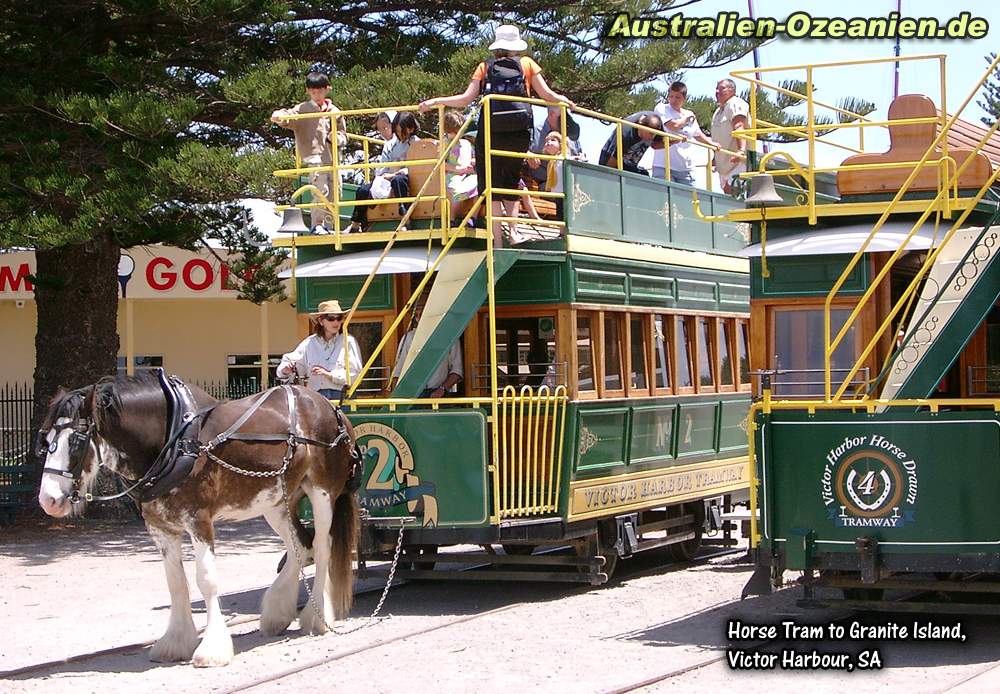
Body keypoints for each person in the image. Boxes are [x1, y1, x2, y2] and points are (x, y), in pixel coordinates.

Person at [419, 24, 573, 248]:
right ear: (516, 46)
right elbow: (546, 94)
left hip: (491, 131)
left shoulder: (484, 66)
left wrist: (436, 101)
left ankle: (497, 242)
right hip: (518, 132)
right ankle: (513, 233)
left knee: (491, 186)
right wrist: (563, 99)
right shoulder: (527, 63)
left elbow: (465, 98)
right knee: (510, 182)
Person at [270, 72, 347, 231]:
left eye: (319, 91)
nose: (316, 95)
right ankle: (318, 224)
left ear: (327, 89)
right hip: (314, 156)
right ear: (307, 91)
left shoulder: (335, 111)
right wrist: (279, 116)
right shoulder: (303, 108)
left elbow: (343, 135)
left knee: (335, 191)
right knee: (320, 190)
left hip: (333, 157)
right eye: (312, 92)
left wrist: (337, 138)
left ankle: (330, 225)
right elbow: (288, 117)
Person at [275, 299, 363, 401]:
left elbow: (355, 375)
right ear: (321, 321)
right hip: (315, 399)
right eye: (330, 319)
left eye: (339, 318)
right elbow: (289, 362)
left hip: (341, 398)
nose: (336, 322)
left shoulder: (348, 341)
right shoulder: (309, 343)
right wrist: (286, 369)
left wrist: (329, 375)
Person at [347, 112, 420, 232]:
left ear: (410, 129)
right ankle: (356, 224)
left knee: (398, 181)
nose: (399, 135)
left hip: (405, 178)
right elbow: (382, 167)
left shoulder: (416, 144)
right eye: (396, 131)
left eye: (402, 131)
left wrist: (395, 174)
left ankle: (405, 220)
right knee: (363, 190)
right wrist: (383, 176)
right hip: (387, 179)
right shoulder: (390, 145)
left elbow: (415, 168)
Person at [389, 295, 463, 398]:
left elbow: (457, 371)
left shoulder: (449, 337)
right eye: (416, 314)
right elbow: (398, 372)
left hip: (439, 395)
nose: (419, 317)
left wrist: (442, 389)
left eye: (422, 313)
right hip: (412, 395)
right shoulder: (408, 338)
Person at [653, 81, 720, 186]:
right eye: (671, 96)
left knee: (690, 199)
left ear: (684, 98)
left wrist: (712, 145)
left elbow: (697, 134)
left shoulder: (689, 114)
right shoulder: (662, 108)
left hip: (685, 166)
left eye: (677, 97)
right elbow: (672, 126)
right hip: (664, 165)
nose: (673, 100)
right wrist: (686, 120)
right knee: (665, 199)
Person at [525, 106, 583, 186]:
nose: (566, 121)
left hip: (569, 185)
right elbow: (516, 150)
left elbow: (580, 156)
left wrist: (581, 158)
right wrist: (528, 155)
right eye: (563, 116)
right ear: (552, 114)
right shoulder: (533, 132)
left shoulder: (570, 135)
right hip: (540, 186)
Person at [711, 78, 751, 195]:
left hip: (737, 162)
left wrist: (741, 151)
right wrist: (715, 158)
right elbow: (718, 136)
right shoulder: (718, 111)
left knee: (735, 195)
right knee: (729, 195)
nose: (717, 91)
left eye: (722, 88)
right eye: (716, 88)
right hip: (724, 164)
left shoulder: (735, 103)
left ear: (732, 90)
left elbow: (739, 125)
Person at [598, 111, 666, 176]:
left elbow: (656, 144)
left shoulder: (656, 123)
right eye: (651, 134)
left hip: (629, 162)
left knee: (643, 175)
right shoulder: (626, 133)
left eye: (654, 134)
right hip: (610, 158)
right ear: (641, 127)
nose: (652, 137)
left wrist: (674, 141)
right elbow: (611, 163)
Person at [443, 110, 479, 224]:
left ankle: (472, 217)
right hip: (453, 175)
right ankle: (452, 218)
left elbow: (472, 158)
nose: (456, 134)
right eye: (453, 131)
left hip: (468, 174)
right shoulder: (445, 143)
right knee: (457, 189)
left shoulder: (466, 143)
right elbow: (441, 164)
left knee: (482, 184)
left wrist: (472, 163)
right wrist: (458, 169)